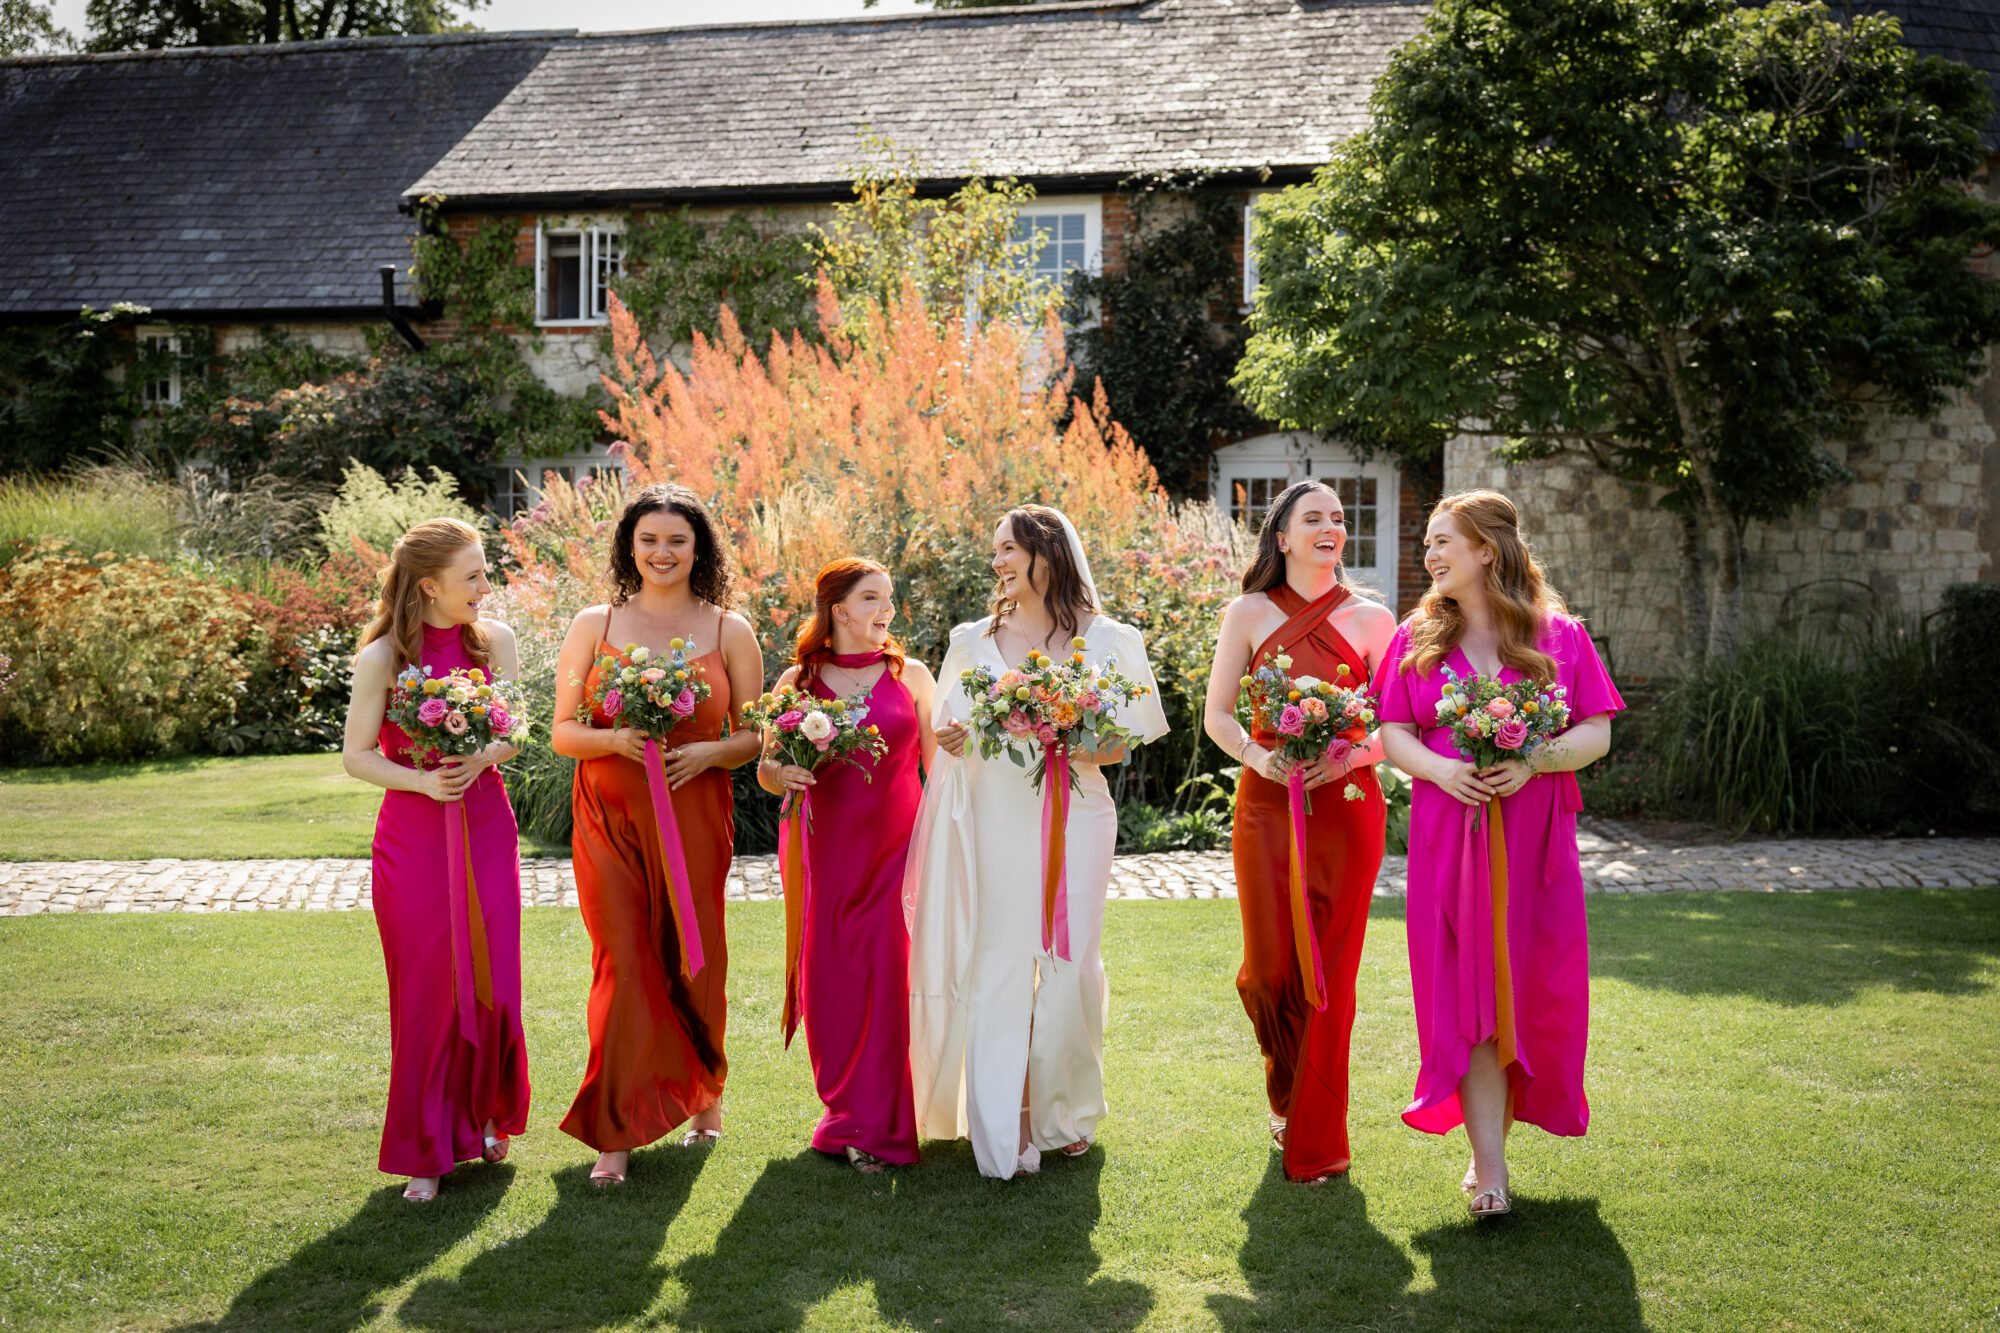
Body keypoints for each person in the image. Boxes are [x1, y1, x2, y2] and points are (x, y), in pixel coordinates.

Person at [1374, 490, 1623, 1219]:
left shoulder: (1560, 636)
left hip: (1532, 843)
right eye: (1427, 543)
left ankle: (1497, 1142)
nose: (1431, 554)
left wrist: (1534, 759)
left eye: (1444, 540)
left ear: (1487, 549)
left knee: (1529, 993)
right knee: (1466, 1000)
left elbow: (1598, 732)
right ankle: (1490, 1169)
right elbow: (1393, 732)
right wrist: (1443, 769)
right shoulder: (1417, 637)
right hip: (1448, 839)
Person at [906, 504, 1169, 1179]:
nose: (996, 562)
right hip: (996, 811)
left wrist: (1072, 733)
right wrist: (951, 735)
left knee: (1070, 960)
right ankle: (1006, 1120)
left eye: (1006, 549)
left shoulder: (1112, 640)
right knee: (1000, 957)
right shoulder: (971, 640)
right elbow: (948, 728)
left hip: (1077, 811)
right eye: (994, 550)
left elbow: (1119, 745)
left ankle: (1066, 1108)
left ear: (1044, 552)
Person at [549, 484, 765, 1187]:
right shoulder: (594, 623)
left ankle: (703, 1088)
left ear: (698, 546)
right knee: (625, 958)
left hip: (696, 811)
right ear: (629, 547)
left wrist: (708, 752)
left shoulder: (729, 628)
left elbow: (757, 734)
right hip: (608, 815)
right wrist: (614, 737)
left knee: (695, 954)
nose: (662, 552)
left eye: (676, 539)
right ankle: (616, 1128)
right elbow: (562, 732)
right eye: (648, 540)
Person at [1201, 480, 1398, 1184]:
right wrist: (1261, 755)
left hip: (1346, 806)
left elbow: (1397, 728)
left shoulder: (1375, 620)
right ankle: (1285, 1095)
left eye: (1339, 519)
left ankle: (1319, 1136)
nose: (1330, 528)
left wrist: (1352, 751)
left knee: (1330, 974)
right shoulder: (1247, 612)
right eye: (1313, 518)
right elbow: (1218, 715)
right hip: (1265, 804)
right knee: (1269, 970)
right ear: (1280, 537)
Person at [341, 518, 530, 1203]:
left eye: (485, 572)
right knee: (426, 992)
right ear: (429, 585)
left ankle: (485, 1114)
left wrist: (479, 755)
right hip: (414, 836)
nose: (487, 587)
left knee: (491, 978)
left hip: (484, 825)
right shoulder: (383, 659)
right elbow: (356, 755)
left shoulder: (496, 642)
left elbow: (517, 730)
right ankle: (427, 1146)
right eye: (473, 576)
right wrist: (422, 779)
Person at [758, 559, 940, 1172]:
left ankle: (885, 1126)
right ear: (838, 609)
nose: (887, 610)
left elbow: (942, 774)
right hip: (821, 849)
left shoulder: (911, 675)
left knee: (889, 977)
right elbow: (765, 769)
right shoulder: (797, 681)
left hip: (899, 851)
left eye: (889, 598)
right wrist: (782, 771)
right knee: (829, 975)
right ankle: (842, 1114)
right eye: (872, 598)